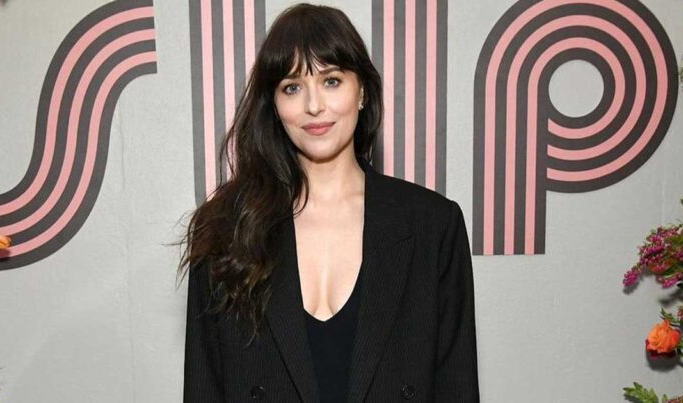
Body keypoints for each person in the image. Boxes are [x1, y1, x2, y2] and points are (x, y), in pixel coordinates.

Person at [181, 3, 478, 402]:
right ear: (275, 106)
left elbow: (457, 388)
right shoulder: (224, 230)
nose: (314, 105)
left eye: (332, 81)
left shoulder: (433, 226)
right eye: (292, 87)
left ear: (362, 91)